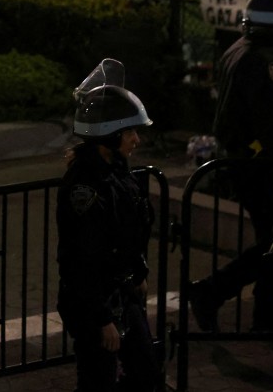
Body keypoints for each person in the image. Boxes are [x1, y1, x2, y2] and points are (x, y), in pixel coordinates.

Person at [189, 0, 273, 332]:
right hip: (261, 165)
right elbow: (270, 121)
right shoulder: (263, 62)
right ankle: (212, 292)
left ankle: (266, 310)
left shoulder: (238, 50)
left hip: (244, 161)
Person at [57, 60, 162, 392]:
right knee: (97, 382)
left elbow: (129, 229)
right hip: (95, 305)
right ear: (110, 133)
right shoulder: (84, 187)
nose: (137, 139)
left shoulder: (115, 169)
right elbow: (82, 259)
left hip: (121, 293)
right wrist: (102, 319)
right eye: (130, 131)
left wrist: (138, 270)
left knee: (147, 376)